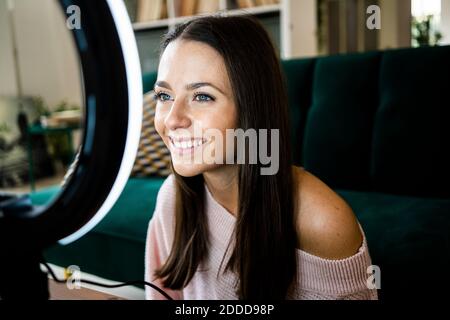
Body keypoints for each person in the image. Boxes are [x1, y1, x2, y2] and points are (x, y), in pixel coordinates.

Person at [145, 15, 378, 300]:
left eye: (202, 96)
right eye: (164, 96)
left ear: (251, 108)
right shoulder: (172, 198)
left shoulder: (323, 222)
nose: (172, 119)